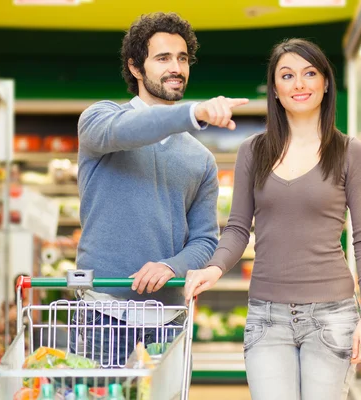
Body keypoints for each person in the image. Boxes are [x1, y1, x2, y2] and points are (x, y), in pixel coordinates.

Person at [184, 38, 361, 399]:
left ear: (325, 82)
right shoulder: (253, 152)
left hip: (333, 316)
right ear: (275, 89)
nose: (299, 84)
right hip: (266, 318)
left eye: (309, 73)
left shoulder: (351, 152)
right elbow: (239, 229)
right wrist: (212, 269)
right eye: (287, 76)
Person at [71, 12, 249, 367]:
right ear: (136, 67)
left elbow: (205, 241)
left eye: (182, 58)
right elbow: (133, 130)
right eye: (163, 58)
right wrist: (192, 112)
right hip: (103, 315)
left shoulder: (201, 159)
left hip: (168, 322)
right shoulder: (99, 121)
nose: (177, 68)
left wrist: (172, 266)